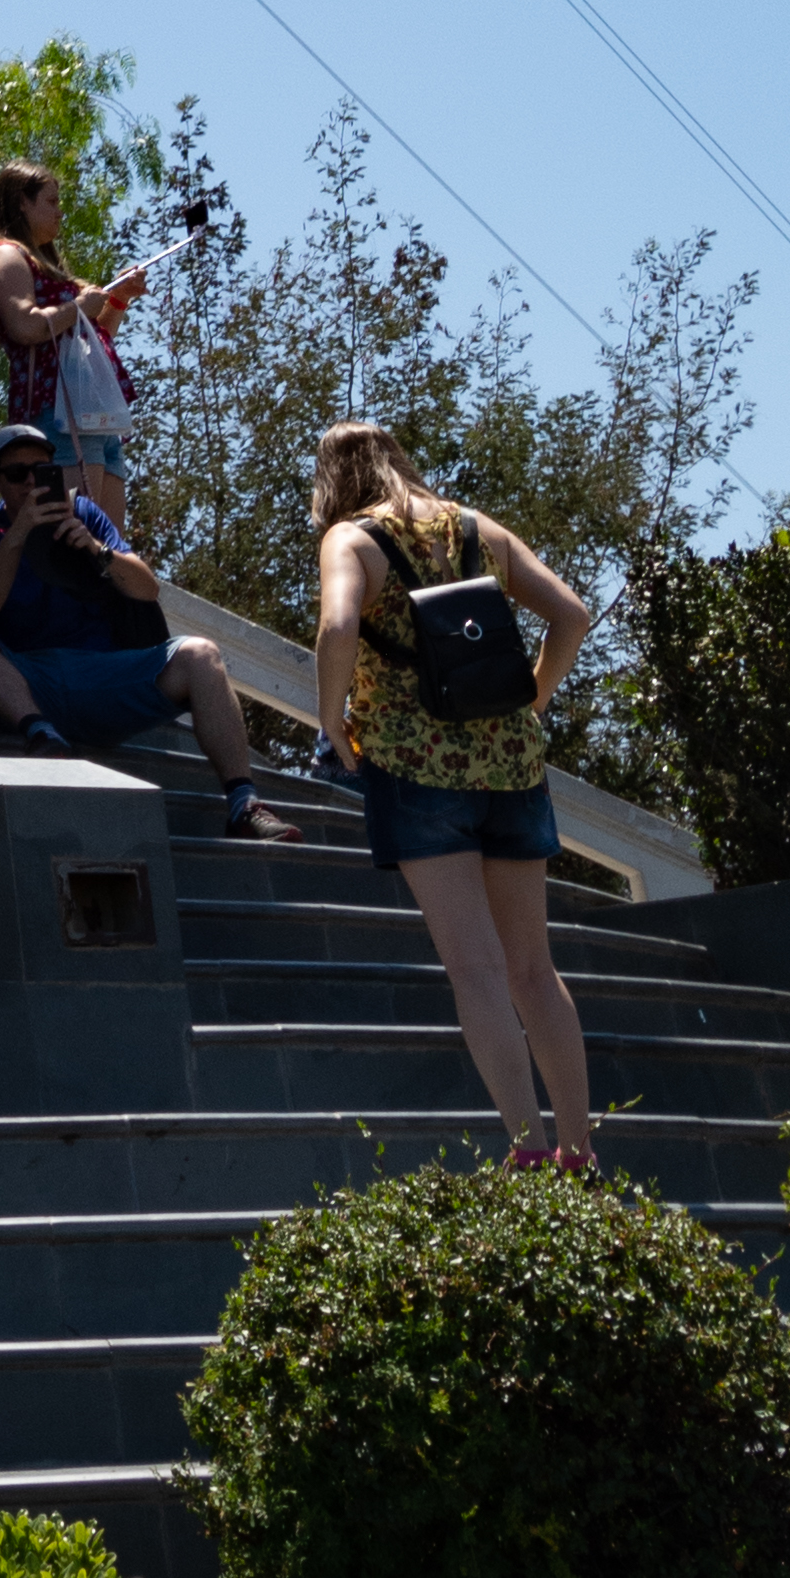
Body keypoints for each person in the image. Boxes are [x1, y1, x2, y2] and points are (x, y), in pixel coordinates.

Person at [310, 419, 599, 1168]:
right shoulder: (477, 529)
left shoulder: (351, 540)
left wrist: (332, 721)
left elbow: (339, 625)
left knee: (476, 970)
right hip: (511, 766)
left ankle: (528, 1149)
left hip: (415, 768)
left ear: (333, 479)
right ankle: (580, 1150)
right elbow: (571, 614)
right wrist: (533, 699)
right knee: (535, 970)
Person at [0, 431, 296, 838]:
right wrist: (18, 535)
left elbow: (147, 589)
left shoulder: (84, 513)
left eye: (41, 472)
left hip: (104, 677)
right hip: (27, 681)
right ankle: (42, 734)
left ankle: (244, 804)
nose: (30, 483)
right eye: (17, 473)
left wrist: (95, 548)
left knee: (202, 654)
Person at [0, 160, 145, 527]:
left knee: (108, 548)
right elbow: (25, 326)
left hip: (89, 414)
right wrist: (79, 306)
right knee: (74, 538)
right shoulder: (5, 257)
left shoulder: (42, 265)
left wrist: (118, 299)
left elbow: (94, 342)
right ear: (22, 202)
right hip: (56, 414)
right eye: (51, 202)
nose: (60, 212)